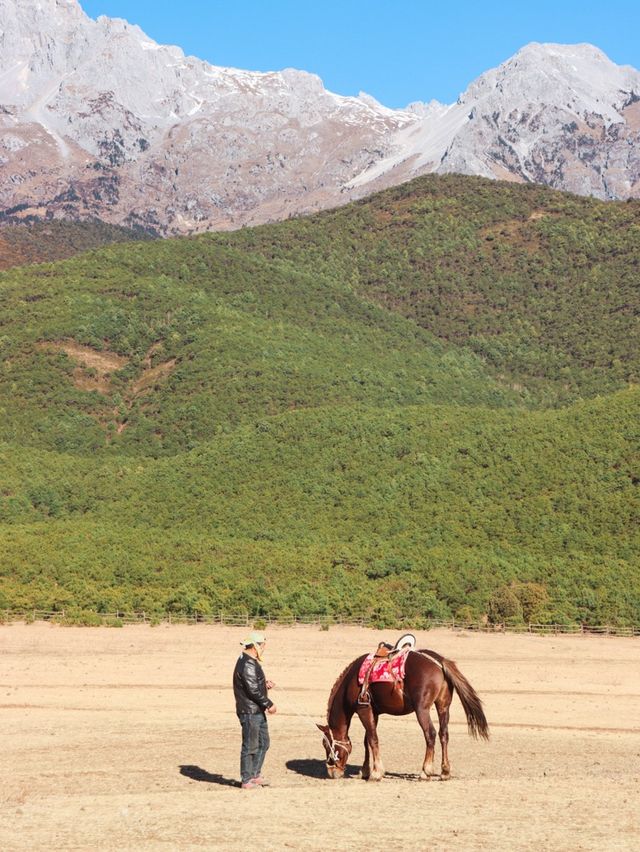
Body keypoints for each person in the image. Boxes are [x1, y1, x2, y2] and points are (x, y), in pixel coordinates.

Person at [232, 630, 277, 790]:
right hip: (250, 712)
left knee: (264, 743)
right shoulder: (247, 663)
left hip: (256, 710)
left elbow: (252, 686)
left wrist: (265, 685)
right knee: (250, 745)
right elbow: (252, 691)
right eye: (263, 646)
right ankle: (247, 779)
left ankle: (255, 775)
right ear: (255, 646)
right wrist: (268, 703)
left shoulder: (249, 661)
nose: (264, 649)